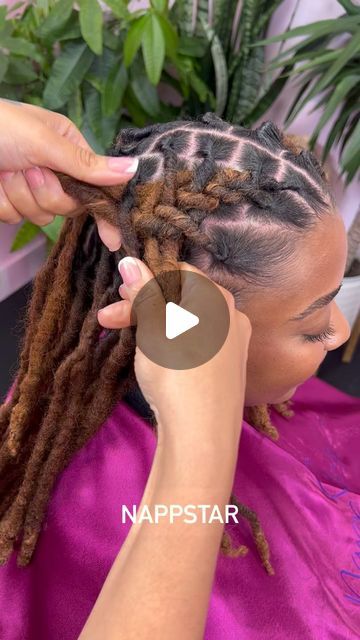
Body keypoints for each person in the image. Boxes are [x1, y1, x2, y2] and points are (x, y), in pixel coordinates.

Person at [0, 101, 359, 639]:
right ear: (195, 326)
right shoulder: (86, 509)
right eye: (311, 327)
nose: (341, 332)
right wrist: (202, 443)